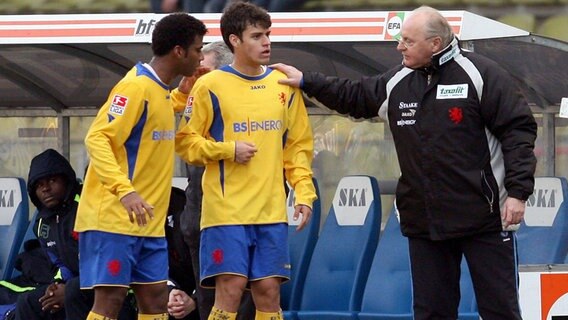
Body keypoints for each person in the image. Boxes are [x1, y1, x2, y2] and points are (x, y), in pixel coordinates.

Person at [271, 5, 537, 320]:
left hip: (484, 216)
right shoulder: (399, 80)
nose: (399, 47)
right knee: (430, 312)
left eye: (408, 41)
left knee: (499, 309)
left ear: (435, 43)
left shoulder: (481, 74)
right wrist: (306, 81)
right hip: (424, 218)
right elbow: (355, 96)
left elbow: (519, 131)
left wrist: (518, 192)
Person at [175, 2, 317, 320]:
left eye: (267, 34)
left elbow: (298, 146)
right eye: (256, 36)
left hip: (270, 211)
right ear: (234, 40)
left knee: (269, 291)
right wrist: (228, 150)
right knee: (231, 289)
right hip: (226, 212)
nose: (266, 42)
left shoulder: (283, 84)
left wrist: (304, 191)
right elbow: (185, 143)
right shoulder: (209, 85)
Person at [73, 13, 207, 320]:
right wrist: (125, 192)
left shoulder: (158, 90)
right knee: (111, 298)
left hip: (148, 221)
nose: (200, 56)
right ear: (179, 51)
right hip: (114, 219)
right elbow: (97, 139)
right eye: (198, 49)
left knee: (156, 299)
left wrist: (183, 93)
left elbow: (155, 114)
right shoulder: (133, 87)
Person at [176, 40, 256, 320]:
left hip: (239, 222)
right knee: (209, 308)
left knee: (240, 304)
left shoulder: (245, 107)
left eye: (202, 72)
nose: (194, 78)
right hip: (200, 225)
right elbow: (185, 147)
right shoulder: (195, 105)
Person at [14, 149, 136, 320]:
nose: (46, 189)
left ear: (67, 180)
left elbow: (112, 262)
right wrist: (57, 284)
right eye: (39, 185)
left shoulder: (90, 206)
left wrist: (72, 288)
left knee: (72, 293)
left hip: (115, 288)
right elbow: (59, 264)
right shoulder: (42, 224)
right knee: (28, 302)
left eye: (52, 181)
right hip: (78, 287)